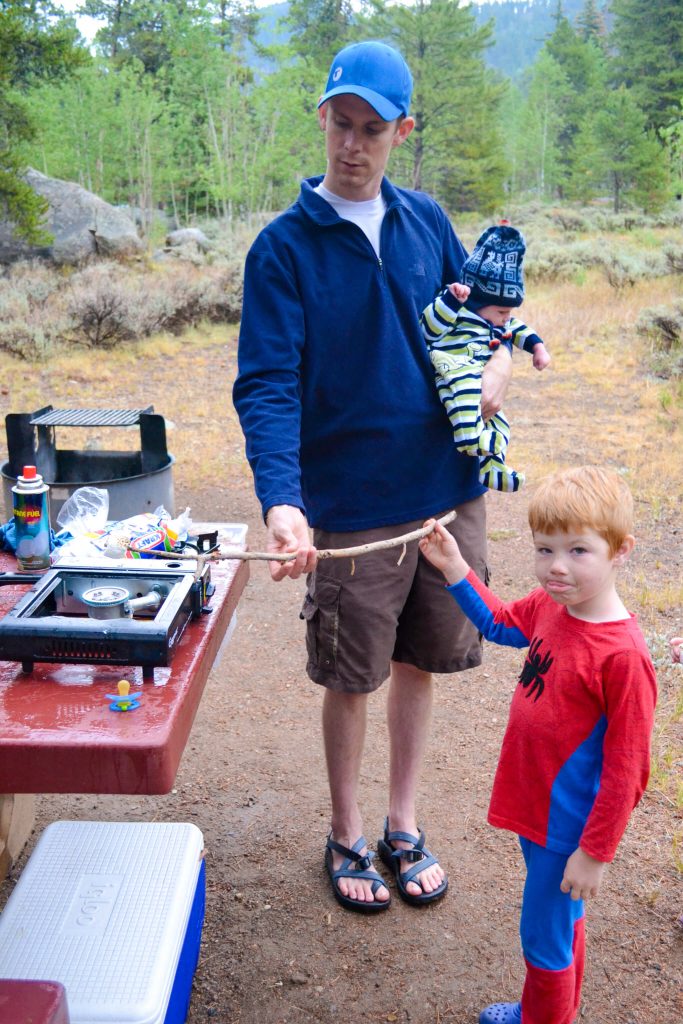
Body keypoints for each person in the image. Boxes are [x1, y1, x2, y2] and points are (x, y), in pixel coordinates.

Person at [232, 40, 514, 912]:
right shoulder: (282, 250)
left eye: (372, 130)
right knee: (353, 675)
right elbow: (267, 385)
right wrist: (284, 501)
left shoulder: (427, 221)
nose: (352, 146)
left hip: (443, 493)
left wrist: (496, 370)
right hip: (348, 507)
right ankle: (346, 831)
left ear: (401, 130)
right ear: (321, 117)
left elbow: (483, 318)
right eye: (340, 125)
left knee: (421, 661)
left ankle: (402, 822)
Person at [418, 465, 657, 1024]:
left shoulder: (622, 657)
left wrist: (594, 853)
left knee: (543, 936)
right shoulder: (554, 605)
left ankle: (542, 1016)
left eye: (578, 551)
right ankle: (555, 1010)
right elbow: (501, 623)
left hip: (567, 828)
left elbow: (627, 772)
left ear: (620, 551)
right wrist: (455, 567)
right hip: (536, 811)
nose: (556, 567)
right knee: (562, 919)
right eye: (544, 548)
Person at [420, 224, 551, 493]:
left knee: (499, 421)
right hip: (453, 369)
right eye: (502, 311)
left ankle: (492, 466)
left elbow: (519, 329)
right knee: (467, 393)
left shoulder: (499, 320)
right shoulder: (457, 313)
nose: (507, 318)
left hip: (478, 373)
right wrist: (450, 301)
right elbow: (428, 329)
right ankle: (469, 440)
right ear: (479, 301)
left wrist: (538, 348)